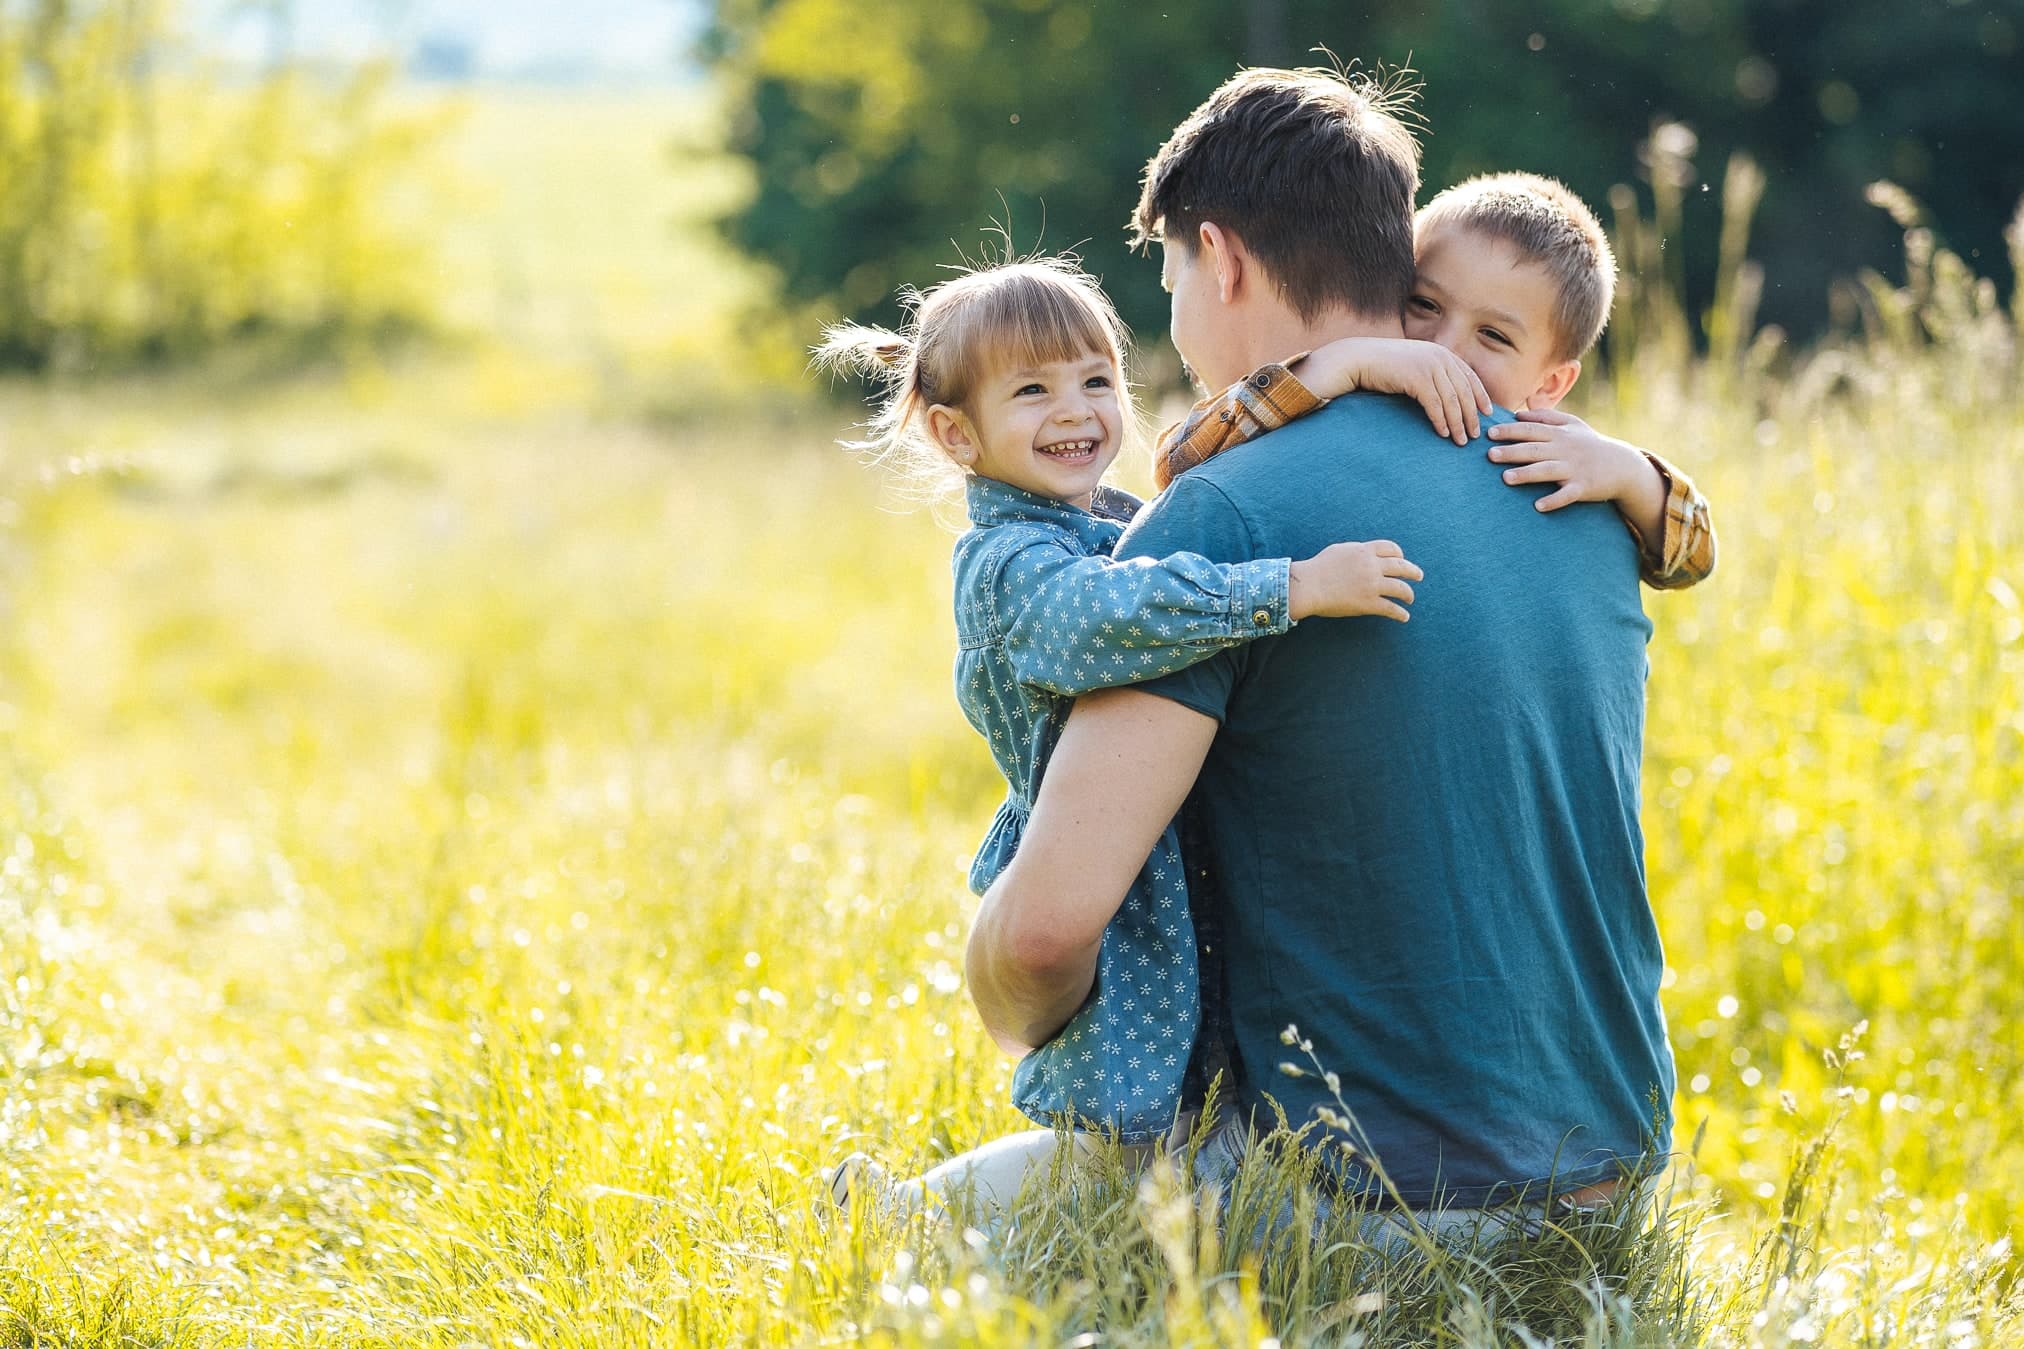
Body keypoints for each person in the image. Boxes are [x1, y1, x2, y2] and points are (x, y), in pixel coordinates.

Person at [966, 66, 1680, 1229]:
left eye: (1170, 274)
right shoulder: (1586, 490)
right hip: (1611, 1178)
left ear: (1223, 256)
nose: (1173, 311)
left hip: (1378, 1201)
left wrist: (998, 985)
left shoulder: (1222, 513)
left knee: (888, 1217)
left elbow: (1050, 929)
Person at [811, 256, 1431, 1207]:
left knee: (1206, 1114)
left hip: (1177, 857)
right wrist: (1291, 586)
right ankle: (911, 1216)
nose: (1076, 410)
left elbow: (1208, 444)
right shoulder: (1009, 561)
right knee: (1130, 1144)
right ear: (954, 432)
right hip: (1116, 873)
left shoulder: (1112, 516)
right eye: (1032, 391)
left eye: (1096, 380)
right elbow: (1100, 619)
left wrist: (1335, 370)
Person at [1152, 171, 1716, 590]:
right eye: (1424, 304)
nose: (1443, 346)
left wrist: (1633, 475)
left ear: (1549, 385)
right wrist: (1332, 367)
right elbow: (1181, 458)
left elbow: (1693, 561)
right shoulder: (1347, 392)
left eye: (1493, 336)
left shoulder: (1547, 452)